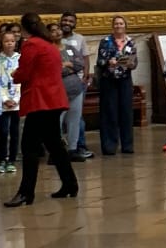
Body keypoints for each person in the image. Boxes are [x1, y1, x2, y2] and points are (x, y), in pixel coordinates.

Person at [3, 13, 79, 207]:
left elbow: (25, 71)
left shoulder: (31, 44)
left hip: (40, 100)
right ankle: (70, 184)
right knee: (54, 144)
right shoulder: (49, 44)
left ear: (25, 29)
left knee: (29, 146)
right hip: (53, 98)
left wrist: (14, 75)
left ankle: (26, 192)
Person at [96, 15, 137, 155]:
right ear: (113, 26)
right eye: (116, 24)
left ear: (125, 26)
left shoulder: (131, 42)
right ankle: (109, 146)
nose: (119, 26)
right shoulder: (105, 41)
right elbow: (99, 61)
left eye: (121, 23)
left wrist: (131, 64)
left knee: (126, 112)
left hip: (125, 80)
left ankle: (127, 145)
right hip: (109, 80)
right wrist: (108, 62)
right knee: (109, 112)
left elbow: (134, 62)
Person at [48, 21, 86, 161]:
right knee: (56, 121)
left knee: (74, 120)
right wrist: (67, 66)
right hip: (57, 91)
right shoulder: (48, 49)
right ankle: (55, 151)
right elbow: (53, 69)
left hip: (75, 89)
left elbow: (80, 64)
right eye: (53, 30)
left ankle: (72, 149)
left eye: (58, 29)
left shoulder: (70, 48)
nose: (57, 32)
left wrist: (68, 65)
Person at [59, 12, 93, 160]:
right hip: (58, 86)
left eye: (70, 21)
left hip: (77, 84)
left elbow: (82, 60)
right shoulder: (54, 42)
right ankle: (58, 148)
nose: (67, 23)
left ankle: (78, 146)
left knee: (76, 117)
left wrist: (85, 75)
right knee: (59, 118)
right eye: (64, 20)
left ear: (75, 24)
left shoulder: (79, 39)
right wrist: (68, 67)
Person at [0, 28, 20, 174]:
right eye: (6, 41)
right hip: (2, 100)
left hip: (16, 100)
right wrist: (5, 99)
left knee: (14, 131)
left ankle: (12, 160)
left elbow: (21, 81)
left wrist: (15, 99)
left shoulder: (20, 58)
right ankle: (2, 158)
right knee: (3, 131)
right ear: (1, 43)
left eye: (12, 41)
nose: (9, 44)